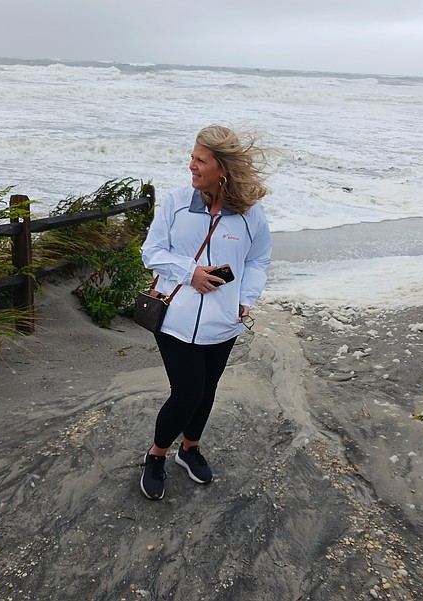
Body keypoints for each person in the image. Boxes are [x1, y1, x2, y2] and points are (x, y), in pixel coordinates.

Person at [139, 124, 273, 500]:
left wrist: (247, 297)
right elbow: (151, 252)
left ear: (222, 168)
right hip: (174, 320)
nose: (191, 166)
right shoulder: (177, 202)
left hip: (223, 323)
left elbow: (259, 259)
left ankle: (190, 448)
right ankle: (156, 455)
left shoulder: (250, 214)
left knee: (207, 390)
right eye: (192, 157)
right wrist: (190, 273)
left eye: (200, 160)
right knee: (187, 392)